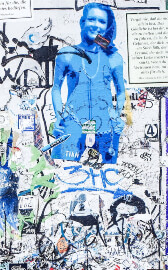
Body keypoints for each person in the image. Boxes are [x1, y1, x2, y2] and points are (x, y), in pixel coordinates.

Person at [50, 2, 127, 164]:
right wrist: (58, 117)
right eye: (91, 19)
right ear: (82, 22)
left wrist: (117, 115)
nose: (96, 25)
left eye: (101, 21)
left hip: (105, 128)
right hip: (71, 126)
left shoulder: (114, 58)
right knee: (65, 178)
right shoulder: (66, 54)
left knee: (107, 178)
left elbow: (121, 91)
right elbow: (56, 88)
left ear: (107, 26)